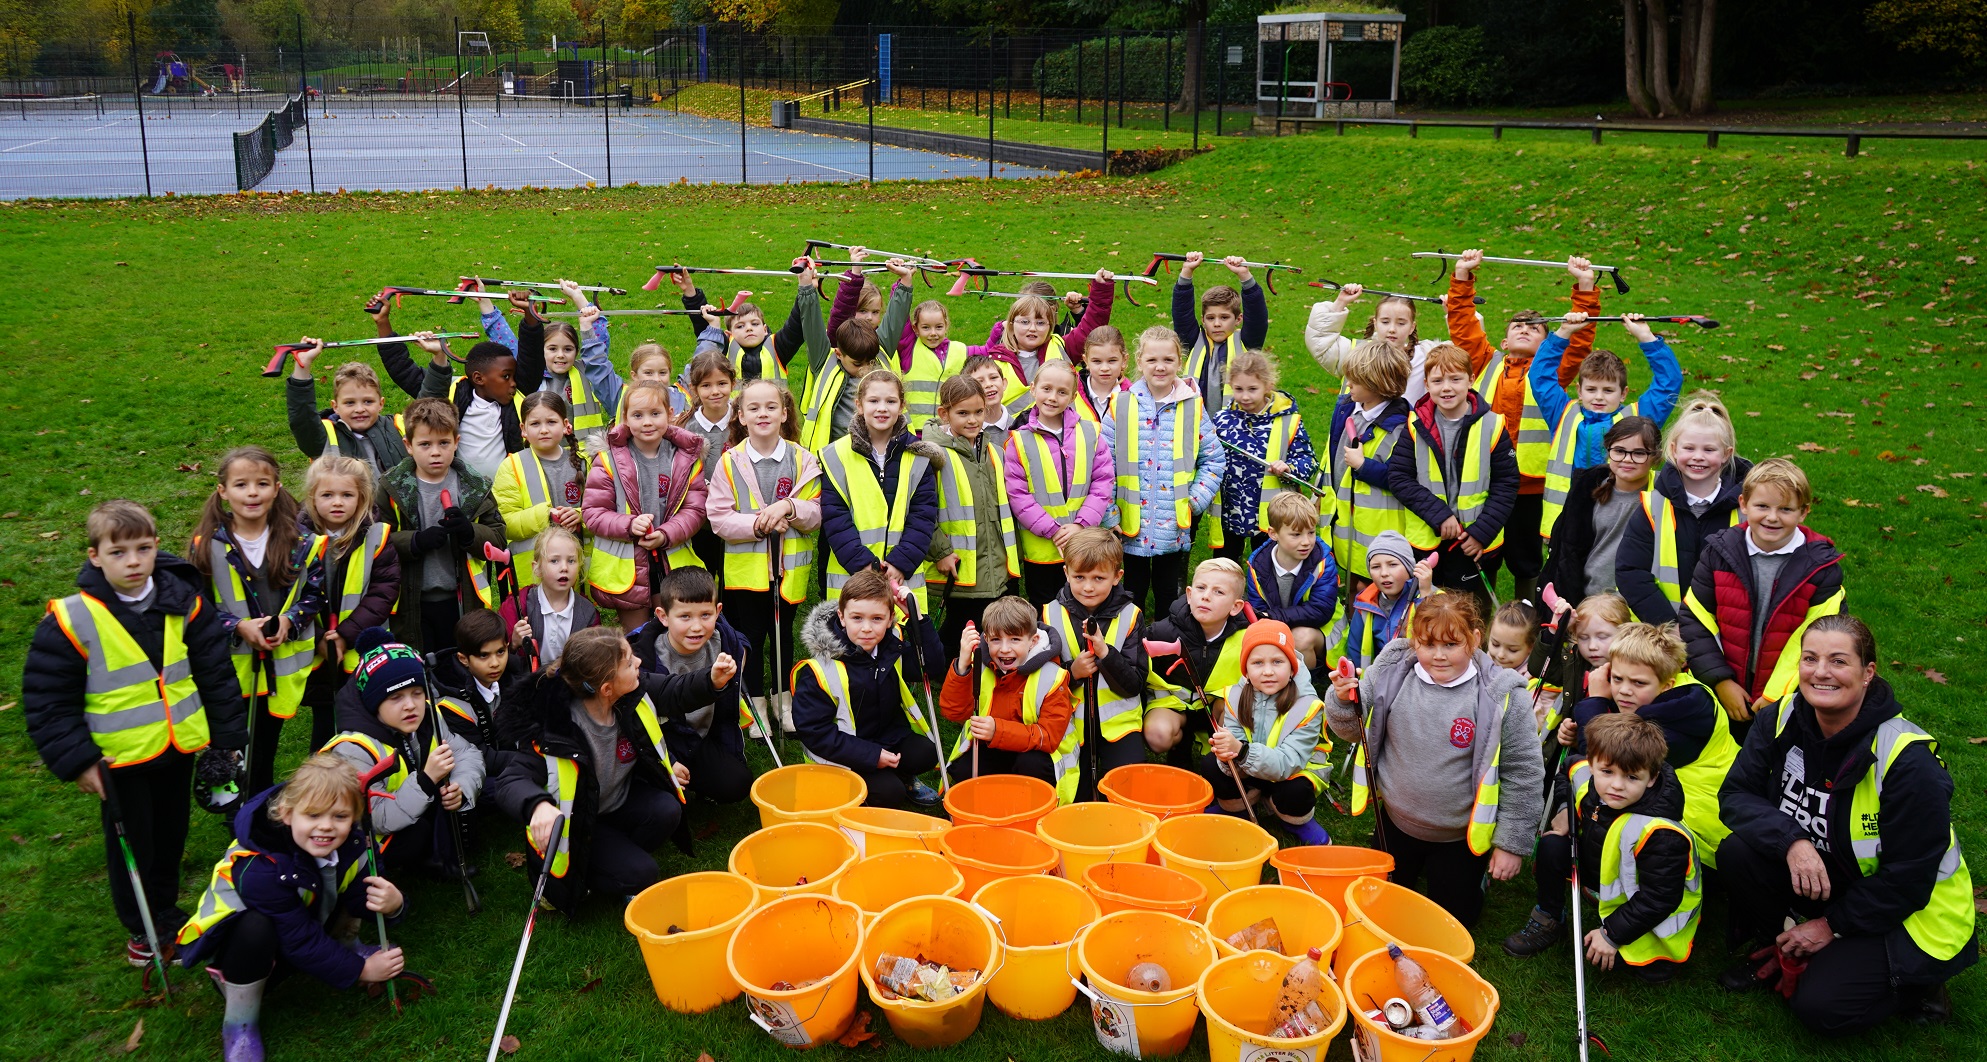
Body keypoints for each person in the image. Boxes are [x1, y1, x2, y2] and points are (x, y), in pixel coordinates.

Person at [1716, 615, 1976, 1031]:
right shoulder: (1779, 717)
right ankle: (1780, 946)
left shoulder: (1908, 762)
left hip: (1912, 908)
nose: (1820, 672)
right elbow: (1734, 797)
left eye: (1838, 661)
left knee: (1820, 1008)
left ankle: (1922, 985)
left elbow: (1908, 880)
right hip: (1834, 872)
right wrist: (1792, 841)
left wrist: (1830, 926)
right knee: (1737, 852)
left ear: (1867, 672)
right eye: (1810, 658)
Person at [23, 500, 246, 972]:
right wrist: (79, 760)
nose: (133, 562)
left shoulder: (185, 602)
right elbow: (47, 700)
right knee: (132, 844)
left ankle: (164, 910)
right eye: (119, 552)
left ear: (156, 548)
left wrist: (227, 738)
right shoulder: (71, 619)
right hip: (119, 759)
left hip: (177, 746)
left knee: (170, 835)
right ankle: (141, 927)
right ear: (95, 557)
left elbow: (216, 673)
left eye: (143, 549)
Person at [173, 755, 410, 1062]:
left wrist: (394, 904)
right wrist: (361, 971)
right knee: (255, 926)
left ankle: (348, 946)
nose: (325, 827)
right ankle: (239, 1024)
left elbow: (362, 899)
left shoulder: (354, 842)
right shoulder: (258, 867)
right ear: (286, 813)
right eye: (312, 815)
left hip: (298, 930)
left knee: (356, 879)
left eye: (339, 816)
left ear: (355, 815)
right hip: (242, 956)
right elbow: (301, 942)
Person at [1327, 593, 1542, 927]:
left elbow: (1523, 771)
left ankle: (1471, 881)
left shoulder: (1502, 695)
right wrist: (1343, 699)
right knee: (1380, 911)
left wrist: (1511, 843)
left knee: (1453, 922)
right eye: (1427, 645)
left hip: (1459, 835)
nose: (1438, 656)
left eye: (1451, 645)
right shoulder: (1392, 669)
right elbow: (1351, 731)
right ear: (1414, 642)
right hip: (1395, 822)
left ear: (1474, 639)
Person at [492, 627, 734, 910]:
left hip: (615, 804)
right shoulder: (555, 730)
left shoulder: (630, 692)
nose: (639, 664)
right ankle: (583, 879)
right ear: (607, 689)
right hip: (579, 827)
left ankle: (619, 857)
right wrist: (537, 806)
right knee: (643, 873)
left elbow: (673, 690)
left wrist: (712, 681)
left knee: (668, 810)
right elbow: (509, 781)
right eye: (630, 663)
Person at [1447, 253, 1603, 606]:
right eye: (1517, 325)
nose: (1525, 328)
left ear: (1547, 345)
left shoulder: (1552, 373)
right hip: (1484, 481)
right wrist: (1461, 276)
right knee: (1481, 553)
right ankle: (1479, 622)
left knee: (1526, 558)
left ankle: (1526, 624)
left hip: (1531, 486)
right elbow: (1462, 324)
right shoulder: (1484, 363)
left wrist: (1585, 287)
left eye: (1535, 328)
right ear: (1502, 342)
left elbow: (1579, 339)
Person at [1504, 713, 1700, 984]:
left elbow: (1659, 899)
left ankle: (1655, 953)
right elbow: (1567, 769)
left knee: (1630, 969)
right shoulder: (1589, 776)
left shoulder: (1662, 834)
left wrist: (1611, 935)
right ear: (1593, 764)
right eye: (1607, 772)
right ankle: (1549, 917)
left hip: (1653, 902)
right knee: (1552, 845)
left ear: (1652, 777)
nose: (1617, 785)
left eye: (1632, 777)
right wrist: (1563, 809)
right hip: (1604, 869)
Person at [189, 446, 328, 796]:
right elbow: (195, 606)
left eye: (262, 483)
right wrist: (235, 627)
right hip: (230, 671)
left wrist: (290, 621)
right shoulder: (207, 546)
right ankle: (235, 806)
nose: (252, 493)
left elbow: (314, 594)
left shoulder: (301, 542)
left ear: (277, 487)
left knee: (265, 747)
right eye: (241, 485)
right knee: (235, 745)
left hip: (278, 669)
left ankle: (258, 806)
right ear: (223, 491)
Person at [1679, 458, 1844, 739]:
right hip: (1725, 692)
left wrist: (1776, 695)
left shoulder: (1821, 567)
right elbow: (1695, 620)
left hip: (1790, 698)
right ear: (1743, 504)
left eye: (1786, 509)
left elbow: (1822, 636)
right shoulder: (1719, 552)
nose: (1772, 517)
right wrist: (1721, 681)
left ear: (1804, 512)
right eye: (1762, 506)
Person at [1557, 622, 1738, 870]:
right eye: (1617, 678)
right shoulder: (1681, 693)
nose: (1623, 691)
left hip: (1702, 833)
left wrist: (1596, 701)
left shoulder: (1679, 715)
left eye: (1638, 683)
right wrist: (1580, 728)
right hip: (1707, 814)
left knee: (1609, 778)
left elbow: (1607, 753)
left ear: (1667, 685)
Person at [707, 377, 821, 734]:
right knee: (750, 638)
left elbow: (816, 511)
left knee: (783, 633)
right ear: (740, 416)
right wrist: (759, 523)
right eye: (753, 408)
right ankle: (755, 703)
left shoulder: (803, 459)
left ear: (785, 413)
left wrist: (789, 508)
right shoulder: (729, 462)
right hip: (746, 573)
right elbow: (719, 518)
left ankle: (782, 700)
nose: (763, 414)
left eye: (771, 407)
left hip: (787, 571)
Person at [324, 630, 486, 874]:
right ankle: (407, 867)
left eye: (417, 693)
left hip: (412, 808)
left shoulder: (428, 713)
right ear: (373, 702)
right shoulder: (352, 748)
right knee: (417, 832)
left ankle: (439, 856)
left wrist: (461, 788)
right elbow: (377, 819)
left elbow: (467, 754)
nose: (410, 705)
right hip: (369, 842)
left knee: (461, 790)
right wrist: (426, 781)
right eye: (396, 697)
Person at [792, 569, 945, 809]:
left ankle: (902, 777)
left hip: (886, 736)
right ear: (842, 617)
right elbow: (814, 732)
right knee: (889, 794)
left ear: (890, 618)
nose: (866, 628)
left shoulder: (890, 645)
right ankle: (851, 793)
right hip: (844, 753)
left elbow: (932, 666)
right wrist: (871, 756)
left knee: (926, 752)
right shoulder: (820, 670)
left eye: (877, 619)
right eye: (857, 618)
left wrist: (918, 619)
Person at [1101, 326, 1226, 617]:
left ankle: (1167, 647)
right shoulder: (1120, 404)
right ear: (1139, 361)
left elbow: (1214, 460)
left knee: (1169, 593)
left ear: (1179, 362)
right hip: (1129, 525)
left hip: (1173, 524)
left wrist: (1195, 501)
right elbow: (1103, 464)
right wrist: (1110, 512)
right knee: (1131, 591)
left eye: (1168, 360)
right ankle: (1129, 647)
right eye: (1152, 360)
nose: (1160, 367)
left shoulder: (1193, 406)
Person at [1388, 341, 1518, 609]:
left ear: (1471, 380)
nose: (1446, 387)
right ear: (1426, 384)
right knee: (1427, 611)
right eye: (1437, 381)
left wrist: (1482, 532)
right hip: (1427, 541)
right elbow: (1399, 477)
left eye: (1455, 379)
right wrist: (1439, 515)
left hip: (1474, 543)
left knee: (1470, 614)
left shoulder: (1492, 425)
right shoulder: (1414, 426)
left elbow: (1506, 484)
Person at [1532, 312, 1682, 539]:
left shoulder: (1638, 419)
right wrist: (1563, 332)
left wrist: (1645, 336)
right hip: (1566, 517)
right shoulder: (1562, 413)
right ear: (1579, 391)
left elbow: (1669, 382)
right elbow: (1540, 377)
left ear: (1623, 394)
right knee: (1567, 572)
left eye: (1608, 390)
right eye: (1591, 389)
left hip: (1619, 518)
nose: (1599, 397)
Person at [377, 399, 506, 655]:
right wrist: (414, 541)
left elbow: (499, 538)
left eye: (444, 443)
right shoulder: (392, 488)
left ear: (456, 442)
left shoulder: (474, 487)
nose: (435, 452)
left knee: (460, 665)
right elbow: (376, 542)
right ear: (408, 446)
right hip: (411, 602)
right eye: (425, 444)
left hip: (463, 600)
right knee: (421, 667)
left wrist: (470, 533)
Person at [582, 380, 710, 630]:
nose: (647, 422)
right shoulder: (607, 461)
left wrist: (665, 534)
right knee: (637, 638)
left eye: (655, 413)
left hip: (671, 560)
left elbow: (695, 510)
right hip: (627, 567)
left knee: (674, 632)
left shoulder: (685, 458)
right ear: (625, 418)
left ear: (670, 414)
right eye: (638, 415)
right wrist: (629, 524)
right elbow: (593, 513)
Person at [1616, 394, 1749, 625]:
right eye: (1689, 448)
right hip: (1661, 636)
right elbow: (1630, 572)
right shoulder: (1653, 507)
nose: (1698, 457)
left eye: (1709, 450)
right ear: (1674, 450)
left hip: (1723, 636)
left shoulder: (1746, 511)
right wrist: (1669, 626)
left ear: (1727, 455)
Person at [817, 369, 943, 611]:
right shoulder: (836, 455)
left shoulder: (918, 456)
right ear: (859, 405)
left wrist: (900, 564)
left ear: (902, 405)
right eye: (873, 401)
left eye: (891, 401)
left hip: (901, 578)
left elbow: (923, 516)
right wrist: (863, 565)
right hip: (852, 576)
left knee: (903, 644)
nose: (882, 408)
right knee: (853, 642)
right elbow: (835, 517)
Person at [1042, 527, 1154, 791]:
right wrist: (1072, 672)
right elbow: (1039, 686)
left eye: (1098, 578)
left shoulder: (1131, 615)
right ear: (1066, 573)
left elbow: (1135, 684)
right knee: (1070, 789)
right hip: (1067, 724)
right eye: (1079, 577)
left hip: (1118, 726)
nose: (1088, 586)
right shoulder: (1049, 615)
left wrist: (1105, 654)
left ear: (1117, 577)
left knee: (1127, 785)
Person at [300, 455, 399, 751]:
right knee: (324, 718)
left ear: (362, 497)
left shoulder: (376, 536)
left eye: (347, 495)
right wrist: (320, 638)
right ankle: (320, 782)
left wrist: (344, 635)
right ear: (312, 498)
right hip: (314, 647)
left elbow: (383, 592)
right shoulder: (295, 538)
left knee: (362, 715)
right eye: (327, 495)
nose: (337, 502)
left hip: (360, 647)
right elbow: (288, 593)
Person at [1206, 620, 1334, 845]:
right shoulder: (1235, 696)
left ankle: (1294, 820)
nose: (1268, 671)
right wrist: (1226, 753)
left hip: (1291, 772)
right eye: (1257, 663)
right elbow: (1235, 742)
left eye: (1277, 662)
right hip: (1251, 768)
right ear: (1246, 670)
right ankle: (1240, 807)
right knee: (1211, 765)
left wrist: (1242, 752)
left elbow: (1288, 762)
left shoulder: (1308, 706)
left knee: (1296, 791)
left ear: (1292, 666)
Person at [634, 568, 752, 807]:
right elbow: (639, 723)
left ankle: (696, 779)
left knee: (738, 783)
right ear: (663, 616)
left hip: (700, 737)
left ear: (718, 612)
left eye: (705, 615)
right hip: (665, 739)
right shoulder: (646, 657)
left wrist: (742, 656)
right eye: (685, 617)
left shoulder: (722, 640)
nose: (697, 627)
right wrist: (669, 760)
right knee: (666, 802)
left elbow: (741, 642)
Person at [942, 596, 1077, 799]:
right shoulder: (978, 665)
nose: (1004, 649)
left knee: (1030, 765)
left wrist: (997, 730)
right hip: (993, 745)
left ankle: (1032, 810)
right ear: (986, 639)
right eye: (996, 640)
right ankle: (990, 807)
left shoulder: (1053, 676)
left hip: (1038, 752)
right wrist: (962, 665)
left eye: (1015, 639)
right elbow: (953, 712)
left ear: (1033, 641)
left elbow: (1048, 737)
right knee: (963, 770)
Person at [925, 374, 1020, 659]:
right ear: (944, 414)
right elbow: (920, 510)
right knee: (961, 630)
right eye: (962, 413)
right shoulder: (933, 454)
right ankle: (943, 673)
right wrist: (940, 551)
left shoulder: (992, 450)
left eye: (978, 412)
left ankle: (989, 680)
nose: (972, 420)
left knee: (996, 628)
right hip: (960, 569)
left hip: (997, 566)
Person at [1006, 360, 1114, 605]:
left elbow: (1102, 482)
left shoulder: (1091, 433)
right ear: (1033, 389)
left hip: (1083, 541)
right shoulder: (1018, 441)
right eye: (1046, 389)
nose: (1053, 397)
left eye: (1062, 392)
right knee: (1045, 604)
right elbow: (1018, 495)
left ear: (1073, 396)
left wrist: (1081, 525)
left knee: (1084, 601)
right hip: (1042, 547)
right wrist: (1053, 530)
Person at [485, 280, 622, 454]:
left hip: (588, 460)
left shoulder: (588, 370)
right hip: (541, 458)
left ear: (578, 351)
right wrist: (484, 302)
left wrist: (578, 297)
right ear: (539, 350)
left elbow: (598, 338)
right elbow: (503, 339)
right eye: (552, 349)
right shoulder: (529, 375)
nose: (560, 355)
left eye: (568, 349)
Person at [1538, 417, 1662, 603]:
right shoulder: (1588, 491)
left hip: (1642, 602)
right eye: (1619, 451)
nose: (1627, 459)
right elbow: (1569, 553)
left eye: (1639, 453)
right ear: (1608, 450)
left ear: (1655, 457)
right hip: (1593, 599)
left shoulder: (1666, 493)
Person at [1211, 349, 1317, 562]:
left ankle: (1264, 594)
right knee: (1225, 563)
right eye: (1238, 389)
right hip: (1230, 510)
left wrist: (1289, 468)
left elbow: (1308, 459)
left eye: (1252, 389)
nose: (1245, 396)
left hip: (1272, 514)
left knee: (1268, 564)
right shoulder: (1222, 419)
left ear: (1268, 386)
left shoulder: (1288, 421)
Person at [1325, 338, 1411, 582]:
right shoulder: (1347, 408)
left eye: (1355, 379)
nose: (1348, 383)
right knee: (1352, 581)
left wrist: (1364, 466)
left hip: (1378, 532)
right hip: (1345, 522)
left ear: (1378, 384)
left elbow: (1404, 479)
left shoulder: (1402, 427)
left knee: (1370, 587)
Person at [493, 391, 589, 591]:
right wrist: (546, 515)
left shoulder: (583, 462)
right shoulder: (511, 466)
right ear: (523, 429)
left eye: (551, 422)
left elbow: (600, 511)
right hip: (533, 576)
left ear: (565, 425)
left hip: (577, 573)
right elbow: (504, 523)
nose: (544, 430)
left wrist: (579, 516)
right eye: (535, 424)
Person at [1305, 283, 1447, 404]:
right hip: (1357, 433)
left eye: (1401, 323)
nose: (1392, 329)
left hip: (1409, 434)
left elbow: (1466, 352)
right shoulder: (1357, 354)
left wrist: (1455, 314)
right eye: (1385, 322)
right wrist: (1340, 303)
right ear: (1376, 323)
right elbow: (1320, 341)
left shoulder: (1429, 356)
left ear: (1412, 327)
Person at [1244, 493, 1339, 673]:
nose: (1306, 542)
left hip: (1320, 632)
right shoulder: (1257, 565)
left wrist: (1272, 617)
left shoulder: (1323, 561)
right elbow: (1257, 612)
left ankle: (1305, 684)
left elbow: (1320, 611)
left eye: (1311, 532)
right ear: (1273, 534)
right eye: (1296, 534)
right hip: (1280, 626)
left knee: (1300, 638)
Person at [283, 343, 406, 481]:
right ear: (335, 406)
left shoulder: (397, 427)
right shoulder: (324, 438)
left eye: (368, 401)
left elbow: (428, 405)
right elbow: (302, 418)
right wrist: (302, 367)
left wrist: (436, 360)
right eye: (349, 403)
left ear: (381, 403)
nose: (359, 409)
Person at [414, 332, 523, 480]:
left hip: (506, 493)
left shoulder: (515, 404)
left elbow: (531, 354)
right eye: (506, 376)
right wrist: (439, 355)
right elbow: (427, 403)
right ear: (479, 378)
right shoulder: (456, 399)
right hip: (462, 493)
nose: (514, 383)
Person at [1324, 531, 1432, 673]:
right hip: (1379, 679)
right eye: (1375, 567)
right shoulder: (1365, 604)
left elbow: (1436, 634)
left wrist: (1425, 595)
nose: (1384, 573)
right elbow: (1355, 649)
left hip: (1419, 680)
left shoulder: (1431, 596)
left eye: (1392, 564)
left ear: (1410, 568)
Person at [434, 607, 538, 754]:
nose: (495, 663)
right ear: (464, 659)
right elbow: (481, 755)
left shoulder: (512, 679)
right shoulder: (451, 701)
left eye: (500, 652)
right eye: (484, 655)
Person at [1172, 252, 1270, 406]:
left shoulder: (1246, 342)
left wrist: (1244, 275)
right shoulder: (1194, 340)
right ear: (1203, 320)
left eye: (1224, 317)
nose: (1217, 324)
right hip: (1196, 425)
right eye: (1211, 318)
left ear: (1238, 319)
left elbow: (1257, 317)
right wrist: (1187, 271)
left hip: (1235, 425)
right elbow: (1182, 313)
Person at [497, 525, 597, 674]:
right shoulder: (518, 605)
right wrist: (514, 643)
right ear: (536, 568)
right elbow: (496, 654)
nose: (564, 567)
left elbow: (595, 660)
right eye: (554, 561)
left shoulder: (587, 612)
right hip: (527, 684)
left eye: (571, 561)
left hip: (569, 685)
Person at [677, 350, 741, 575]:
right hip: (700, 522)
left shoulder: (743, 422)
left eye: (722, 383)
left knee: (732, 577)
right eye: (706, 385)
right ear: (694, 389)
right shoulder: (685, 429)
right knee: (702, 574)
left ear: (733, 383)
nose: (715, 391)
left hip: (738, 516)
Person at [1071, 325, 1130, 425]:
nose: (1104, 368)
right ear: (1086, 361)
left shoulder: (1134, 396)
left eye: (1112, 361)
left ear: (1124, 360)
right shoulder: (1070, 390)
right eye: (1097, 361)